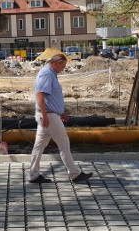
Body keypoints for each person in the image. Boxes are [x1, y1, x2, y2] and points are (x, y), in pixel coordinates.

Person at [28, 53, 92, 184]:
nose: (63, 69)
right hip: (48, 116)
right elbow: (39, 95)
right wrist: (46, 115)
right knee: (64, 144)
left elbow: (50, 97)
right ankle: (74, 174)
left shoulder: (50, 73)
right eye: (62, 66)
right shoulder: (47, 73)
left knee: (38, 147)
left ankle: (33, 175)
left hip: (49, 114)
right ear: (56, 63)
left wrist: (60, 112)